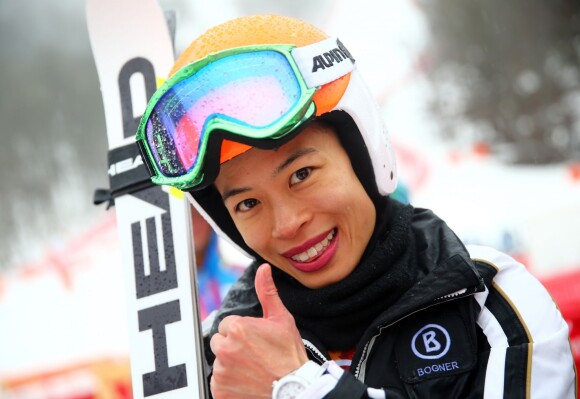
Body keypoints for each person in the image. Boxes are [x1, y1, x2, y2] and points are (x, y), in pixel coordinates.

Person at [136, 14, 577, 398]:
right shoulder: (222, 355)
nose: (288, 224)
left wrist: (301, 388)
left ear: (363, 154)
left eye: (301, 174)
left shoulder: (488, 302)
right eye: (248, 202)